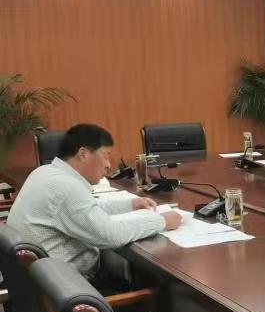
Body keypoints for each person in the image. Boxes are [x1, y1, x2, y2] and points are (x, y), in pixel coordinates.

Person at [6, 124, 182, 290]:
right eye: (106, 156)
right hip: (68, 292)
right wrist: (160, 221)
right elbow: (109, 236)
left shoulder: (45, 172)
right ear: (83, 154)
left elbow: (85, 209)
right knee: (153, 289)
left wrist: (130, 204)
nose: (108, 165)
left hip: (40, 284)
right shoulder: (66, 187)